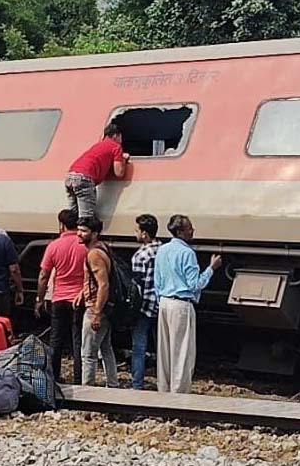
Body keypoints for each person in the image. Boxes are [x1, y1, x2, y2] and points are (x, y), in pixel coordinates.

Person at [153, 215, 221, 393]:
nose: (193, 230)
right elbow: (194, 285)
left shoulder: (162, 250)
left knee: (164, 351)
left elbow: (157, 281)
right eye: (190, 228)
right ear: (181, 232)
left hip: (164, 302)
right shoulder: (187, 253)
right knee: (182, 352)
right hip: (181, 304)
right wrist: (211, 269)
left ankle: (163, 391)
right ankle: (179, 395)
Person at [36, 209, 86, 384]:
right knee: (78, 342)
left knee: (56, 340)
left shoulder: (54, 246)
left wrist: (40, 299)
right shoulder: (84, 245)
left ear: (61, 225)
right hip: (79, 300)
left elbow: (43, 275)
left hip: (58, 299)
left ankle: (54, 377)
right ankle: (79, 379)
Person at [76, 217, 117, 387]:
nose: (79, 234)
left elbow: (103, 284)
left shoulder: (94, 254)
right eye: (79, 229)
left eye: (84, 231)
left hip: (96, 308)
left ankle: (88, 391)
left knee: (88, 354)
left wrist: (96, 313)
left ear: (95, 234)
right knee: (106, 348)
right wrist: (83, 292)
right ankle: (113, 384)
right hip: (103, 306)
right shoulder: (103, 248)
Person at [65, 124, 129, 220]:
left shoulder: (98, 145)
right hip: (84, 178)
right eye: (121, 137)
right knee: (86, 219)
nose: (121, 141)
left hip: (71, 175)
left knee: (72, 217)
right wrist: (124, 159)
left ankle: (69, 233)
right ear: (116, 136)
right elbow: (119, 173)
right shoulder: (115, 147)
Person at [130, 214, 161, 390]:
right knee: (163, 346)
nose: (135, 233)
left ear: (144, 234)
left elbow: (137, 287)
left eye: (137, 230)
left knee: (139, 347)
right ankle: (164, 382)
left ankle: (137, 384)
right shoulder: (163, 249)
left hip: (144, 306)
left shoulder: (140, 255)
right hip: (161, 303)